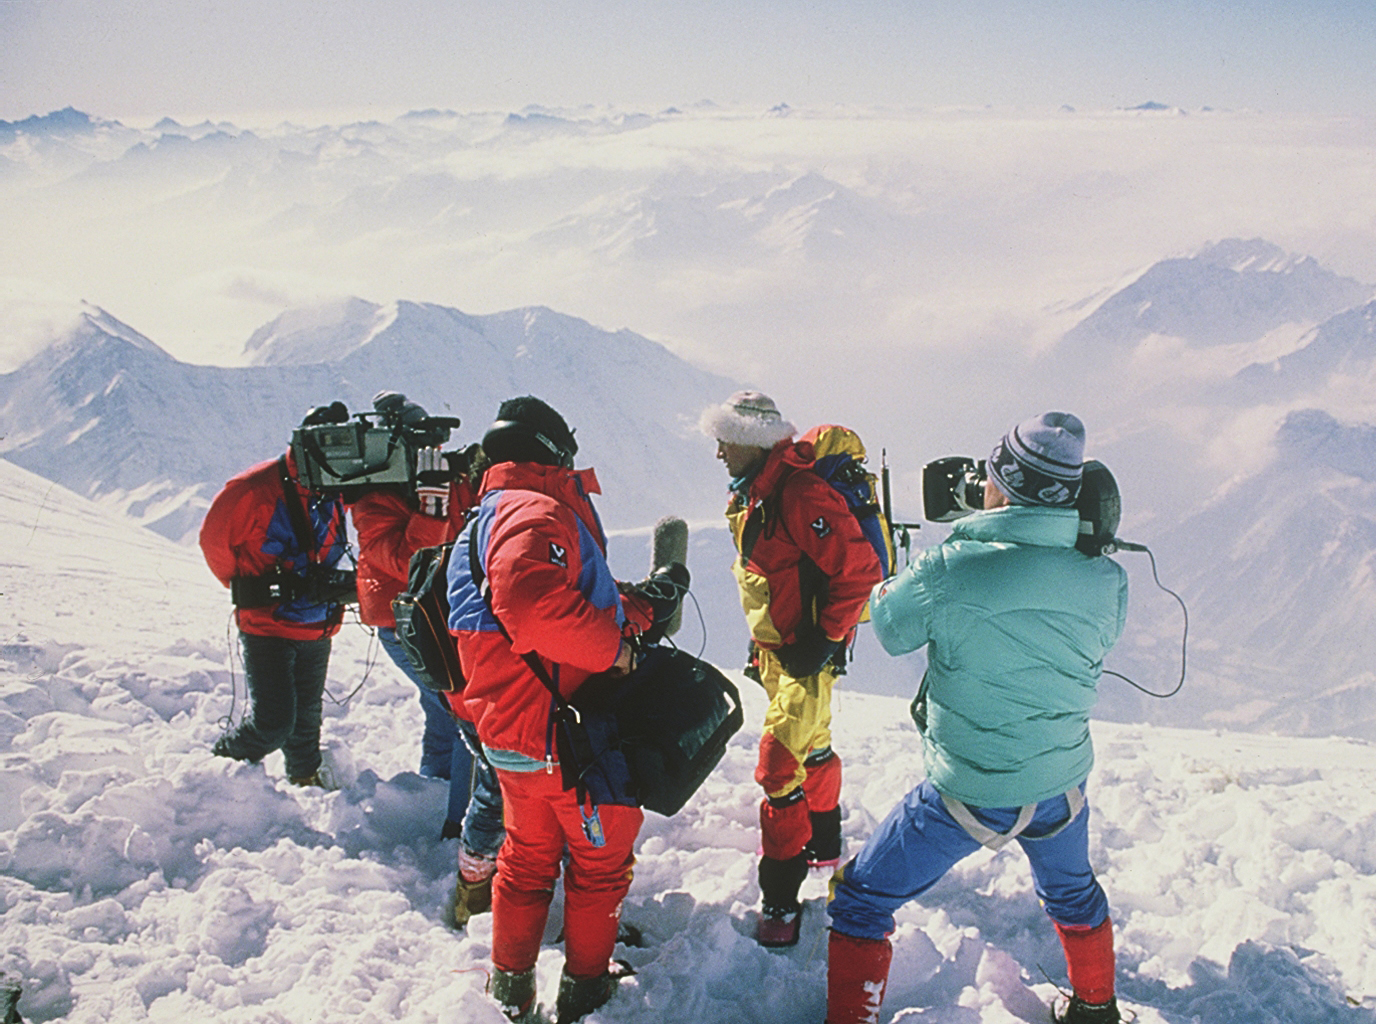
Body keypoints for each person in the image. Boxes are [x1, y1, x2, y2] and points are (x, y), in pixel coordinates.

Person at [823, 412, 1129, 1024]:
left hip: (970, 791)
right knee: (1073, 893)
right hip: (1060, 787)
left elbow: (890, 628)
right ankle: (1096, 1009)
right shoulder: (1107, 580)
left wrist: (932, 554)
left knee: (859, 901)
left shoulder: (951, 567)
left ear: (1004, 485)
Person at [444, 396, 658, 1023]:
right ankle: (585, 991)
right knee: (597, 867)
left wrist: (634, 608)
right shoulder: (535, 509)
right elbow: (532, 607)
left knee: (527, 861)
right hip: (565, 736)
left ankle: (511, 991)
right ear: (553, 450)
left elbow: (535, 602)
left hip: (510, 732)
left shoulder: (484, 517)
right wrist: (617, 650)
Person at [698, 390, 883, 949]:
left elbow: (860, 571)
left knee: (779, 770)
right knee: (814, 743)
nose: (719, 453)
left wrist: (824, 640)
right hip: (779, 651)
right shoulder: (754, 491)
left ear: (752, 441)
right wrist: (765, 644)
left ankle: (780, 900)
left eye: (726, 441)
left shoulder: (799, 493)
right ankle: (825, 844)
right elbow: (769, 574)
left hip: (806, 654)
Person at [346, 391, 506, 926]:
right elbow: (406, 559)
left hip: (440, 613)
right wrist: (431, 506)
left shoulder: (439, 477)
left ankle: (432, 789)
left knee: (442, 710)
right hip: (406, 622)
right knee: (463, 713)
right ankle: (458, 824)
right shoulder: (371, 498)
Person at [199, 402, 354, 788]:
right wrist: (252, 588)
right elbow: (214, 543)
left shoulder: (334, 485)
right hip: (267, 625)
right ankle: (218, 770)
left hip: (317, 623)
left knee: (306, 720)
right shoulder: (254, 488)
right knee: (273, 723)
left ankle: (305, 778)